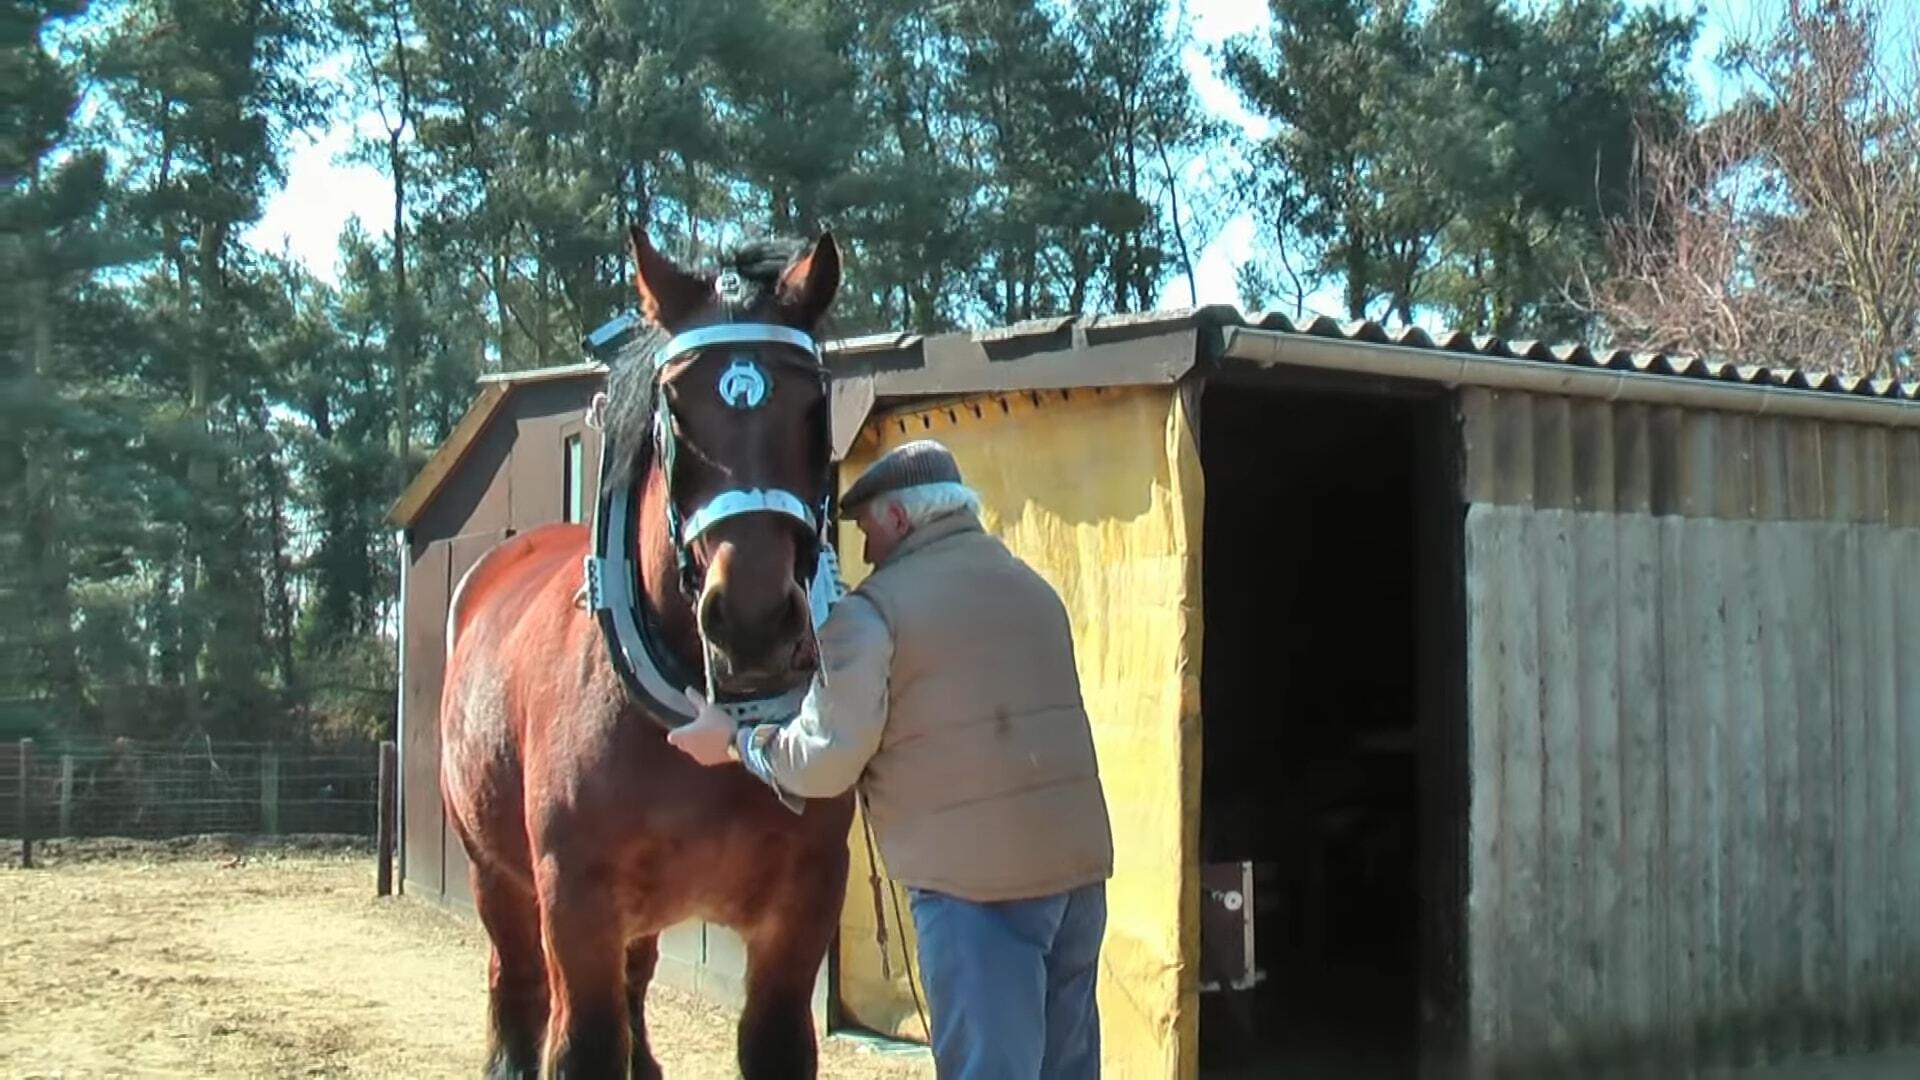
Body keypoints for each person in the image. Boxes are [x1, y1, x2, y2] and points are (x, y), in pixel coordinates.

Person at [667, 439, 1115, 1080]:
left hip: (976, 896)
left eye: (869, 526)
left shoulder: (874, 614)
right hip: (1078, 877)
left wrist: (737, 742)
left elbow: (825, 760)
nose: (864, 548)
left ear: (901, 519)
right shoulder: (1034, 591)